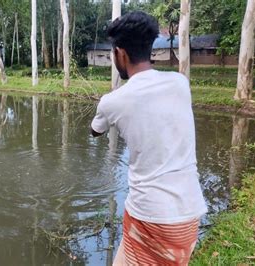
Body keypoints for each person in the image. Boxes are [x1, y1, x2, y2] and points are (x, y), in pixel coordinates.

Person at [90, 11, 208, 265]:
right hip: (189, 213)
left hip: (150, 215)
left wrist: (111, 101)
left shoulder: (113, 101)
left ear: (120, 53)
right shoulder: (179, 83)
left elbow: (95, 131)